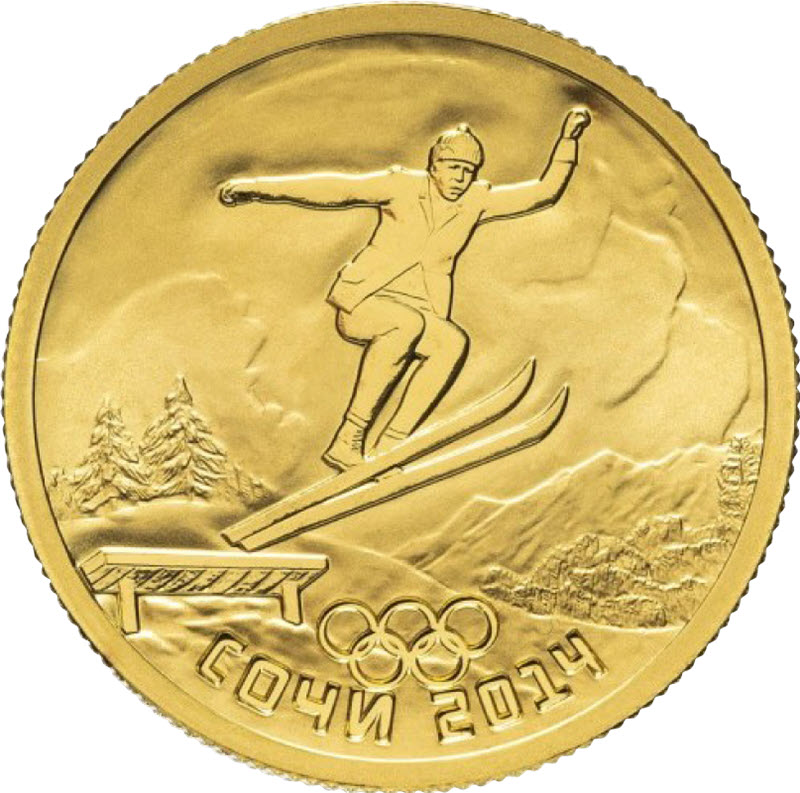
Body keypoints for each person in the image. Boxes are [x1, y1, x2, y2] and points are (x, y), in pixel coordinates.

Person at [219, 108, 591, 471]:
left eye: (468, 170)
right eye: (453, 167)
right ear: (435, 166)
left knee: (451, 342)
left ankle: (392, 446)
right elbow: (338, 190)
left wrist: (567, 141)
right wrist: (256, 189)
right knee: (404, 324)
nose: (461, 177)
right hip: (364, 302)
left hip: (420, 313)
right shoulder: (402, 187)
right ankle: (348, 438)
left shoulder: (475, 203)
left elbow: (543, 193)